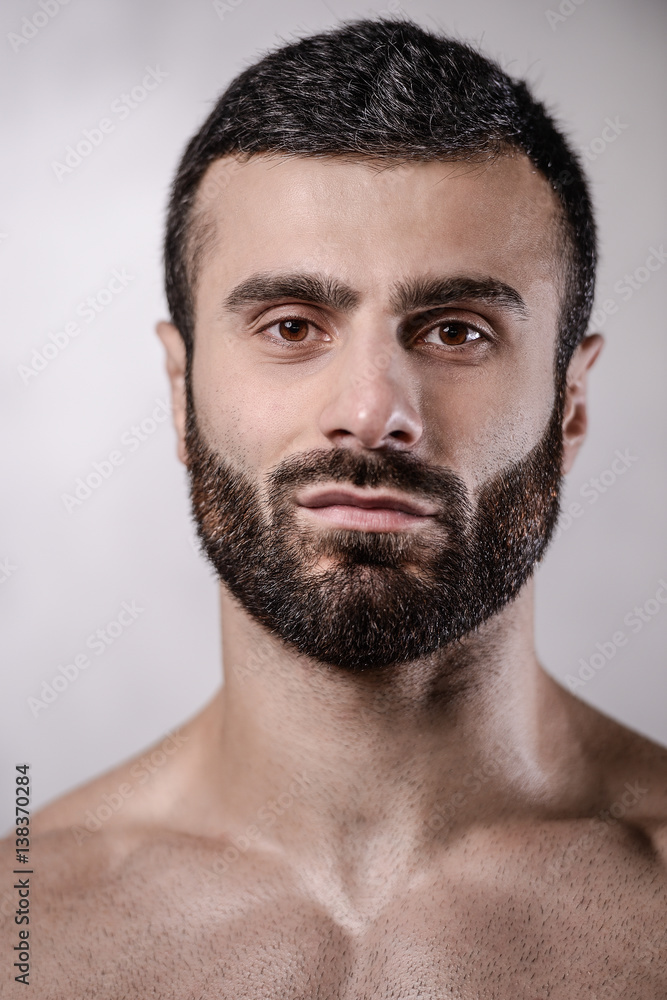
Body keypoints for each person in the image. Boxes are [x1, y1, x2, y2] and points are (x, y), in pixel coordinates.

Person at [3, 17, 666, 998]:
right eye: (291, 325)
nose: (369, 412)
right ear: (179, 392)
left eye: (454, 329)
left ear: (569, 404)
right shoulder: (27, 927)